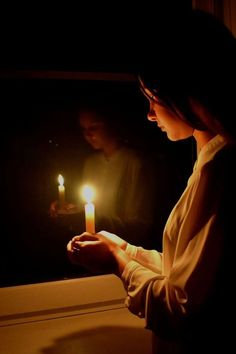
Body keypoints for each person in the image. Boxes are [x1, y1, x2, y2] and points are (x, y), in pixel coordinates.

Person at [67, 10, 236, 353]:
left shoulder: (224, 169)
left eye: (152, 99)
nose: (149, 114)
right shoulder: (211, 161)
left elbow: (183, 310)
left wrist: (117, 261)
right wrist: (125, 250)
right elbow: (189, 275)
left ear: (182, 91)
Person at [51, 98, 163, 249]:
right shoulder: (91, 164)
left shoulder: (135, 162)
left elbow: (140, 225)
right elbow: (91, 207)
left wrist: (93, 222)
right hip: (95, 249)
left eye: (94, 127)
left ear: (112, 123)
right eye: (83, 129)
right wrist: (70, 211)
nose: (87, 134)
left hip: (126, 253)